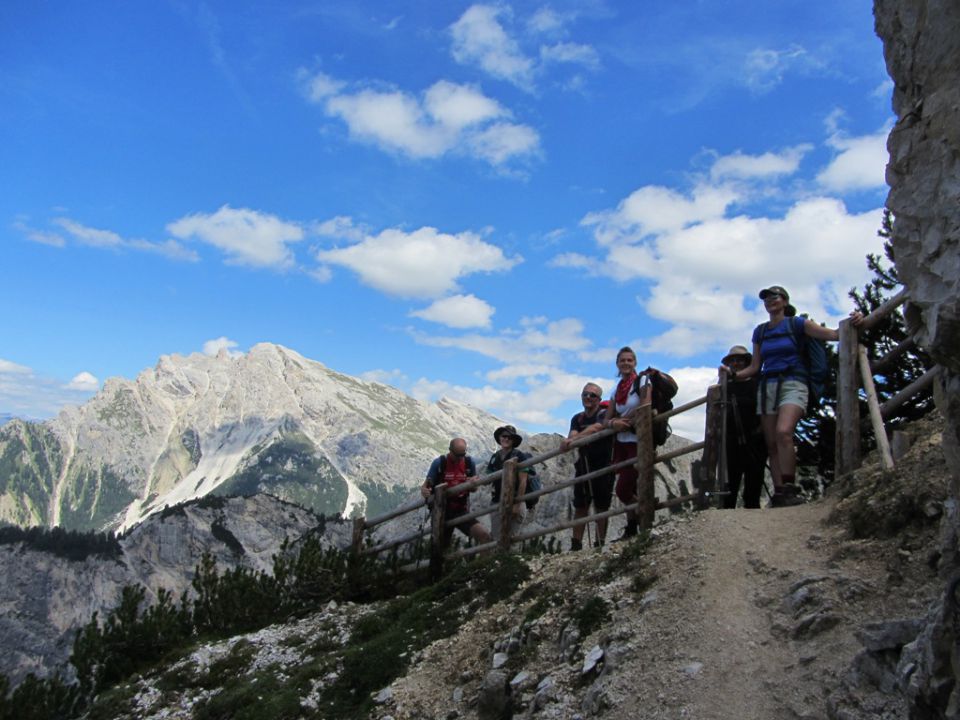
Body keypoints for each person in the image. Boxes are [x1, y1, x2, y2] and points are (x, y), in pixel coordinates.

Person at [721, 286, 863, 507]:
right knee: (771, 443)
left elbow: (834, 334)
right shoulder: (760, 332)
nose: (769, 301)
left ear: (785, 301)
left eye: (774, 297)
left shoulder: (797, 324)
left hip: (793, 382)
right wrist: (733, 374)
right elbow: (756, 366)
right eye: (766, 298)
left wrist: (855, 320)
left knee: (783, 432)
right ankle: (780, 493)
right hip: (768, 385)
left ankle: (788, 486)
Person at [560, 383, 614, 550]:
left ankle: (599, 543)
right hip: (583, 464)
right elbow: (573, 435)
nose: (588, 398)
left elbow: (598, 427)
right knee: (581, 505)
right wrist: (573, 439)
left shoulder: (604, 413)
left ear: (599, 399)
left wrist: (574, 440)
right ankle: (576, 545)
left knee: (601, 505)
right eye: (585, 394)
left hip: (604, 463)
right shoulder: (577, 418)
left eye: (592, 395)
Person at [719, 345, 766, 509]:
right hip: (731, 436)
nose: (736, 363)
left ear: (747, 362)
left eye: (740, 360)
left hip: (756, 436)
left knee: (754, 475)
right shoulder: (725, 385)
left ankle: (752, 509)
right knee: (731, 476)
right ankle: (728, 513)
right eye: (733, 361)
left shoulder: (757, 383)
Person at [421, 438, 492, 545]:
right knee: (439, 548)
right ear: (450, 450)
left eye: (462, 455)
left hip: (461, 509)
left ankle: (483, 562)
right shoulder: (439, 463)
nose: (460, 458)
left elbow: (474, 489)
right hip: (441, 511)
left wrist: (472, 484)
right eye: (457, 455)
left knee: (484, 535)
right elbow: (425, 486)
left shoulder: (469, 463)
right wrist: (424, 491)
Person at [486, 425, 531, 534]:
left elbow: (523, 481)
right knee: (496, 536)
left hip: (515, 500)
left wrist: (517, 505)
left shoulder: (520, 456)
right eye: (504, 436)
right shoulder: (494, 457)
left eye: (509, 437)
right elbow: (489, 477)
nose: (506, 439)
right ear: (499, 438)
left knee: (512, 537)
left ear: (513, 440)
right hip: (497, 501)